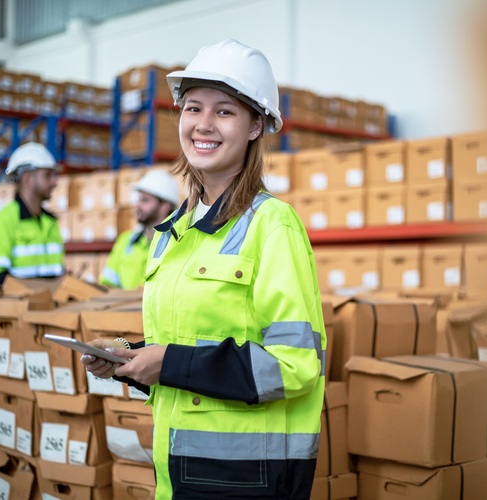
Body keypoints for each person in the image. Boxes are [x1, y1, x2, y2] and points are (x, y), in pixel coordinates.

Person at [82, 39, 326, 499]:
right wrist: (127, 358)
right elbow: (187, 353)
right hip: (179, 475)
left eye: (224, 112)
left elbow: (295, 367)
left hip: (246, 481)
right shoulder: (173, 233)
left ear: (256, 125)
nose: (204, 125)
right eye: (193, 108)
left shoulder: (273, 225)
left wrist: (169, 362)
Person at [0, 142, 64, 285]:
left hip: (51, 305)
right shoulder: (2, 221)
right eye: (47, 175)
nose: (55, 182)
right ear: (27, 179)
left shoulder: (51, 222)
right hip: (19, 306)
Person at [98, 169, 181, 289]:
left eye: (145, 200)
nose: (138, 205)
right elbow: (106, 284)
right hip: (121, 307)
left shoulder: (177, 243)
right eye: (139, 200)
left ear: (165, 206)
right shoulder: (125, 241)